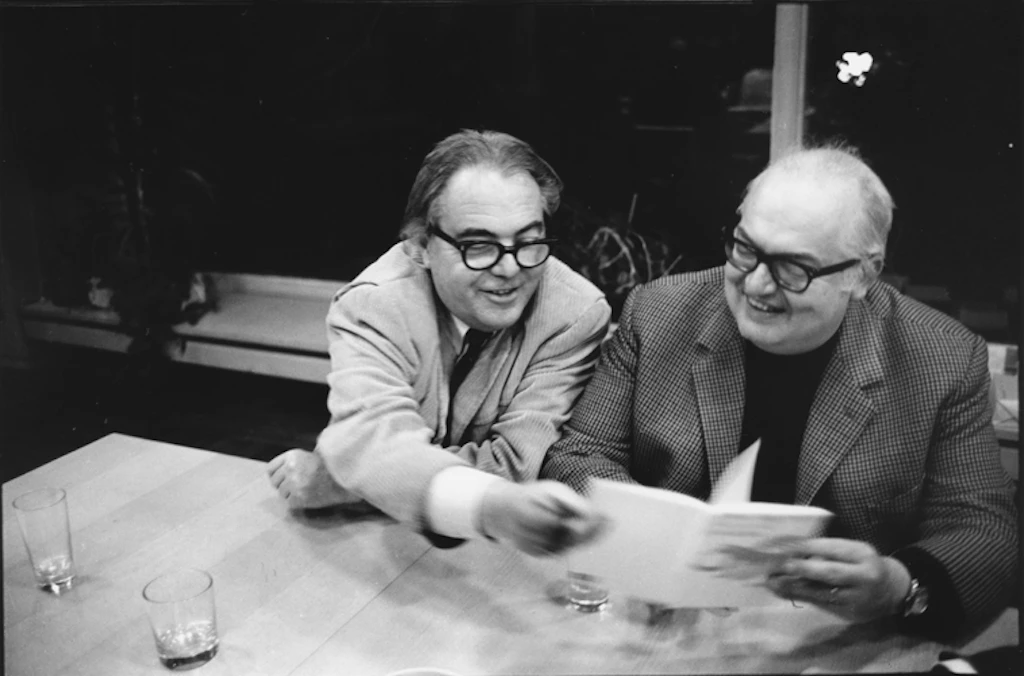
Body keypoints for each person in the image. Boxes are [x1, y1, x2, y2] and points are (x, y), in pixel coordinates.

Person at [541, 145, 1018, 639]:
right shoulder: (659, 311)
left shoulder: (941, 357)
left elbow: (984, 532)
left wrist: (899, 584)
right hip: (664, 627)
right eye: (746, 249)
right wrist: (653, 544)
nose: (756, 285)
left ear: (863, 274)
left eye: (794, 268)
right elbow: (581, 454)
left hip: (831, 641)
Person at [268, 129, 611, 555]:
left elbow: (515, 469)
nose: (509, 269)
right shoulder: (374, 304)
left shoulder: (575, 313)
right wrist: (372, 461)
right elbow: (375, 436)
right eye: (479, 245)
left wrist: (352, 479)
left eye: (528, 241)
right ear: (420, 247)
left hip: (494, 556)